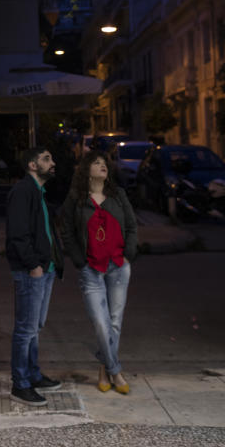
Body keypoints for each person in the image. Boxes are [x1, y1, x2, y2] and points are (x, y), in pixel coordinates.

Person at [59, 150, 138, 395]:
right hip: (90, 268)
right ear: (86, 170)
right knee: (101, 324)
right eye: (96, 163)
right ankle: (115, 370)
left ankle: (105, 369)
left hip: (118, 265)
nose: (102, 166)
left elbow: (132, 226)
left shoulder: (118, 195)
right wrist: (79, 260)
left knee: (115, 321)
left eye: (104, 163)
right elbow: (66, 230)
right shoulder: (75, 198)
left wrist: (129, 253)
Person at [5, 147, 64, 406]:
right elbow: (17, 233)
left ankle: (33, 374)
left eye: (52, 158)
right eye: (46, 159)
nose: (53, 162)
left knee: (35, 328)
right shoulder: (22, 191)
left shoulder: (39, 192)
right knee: (25, 329)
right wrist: (33, 265)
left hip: (45, 269)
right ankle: (20, 384)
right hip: (32, 271)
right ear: (32, 165)